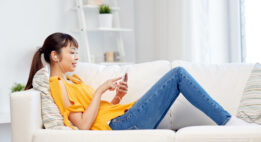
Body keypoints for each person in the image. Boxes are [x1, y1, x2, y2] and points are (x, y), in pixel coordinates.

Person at [25, 32, 258, 130]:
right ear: (55, 56)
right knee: (177, 75)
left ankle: (227, 121)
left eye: (77, 52)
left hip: (122, 117)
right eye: (71, 52)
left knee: (177, 75)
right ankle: (228, 122)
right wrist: (99, 91)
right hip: (121, 125)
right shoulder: (56, 85)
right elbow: (83, 125)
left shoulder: (73, 80)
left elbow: (95, 113)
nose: (76, 58)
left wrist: (116, 96)